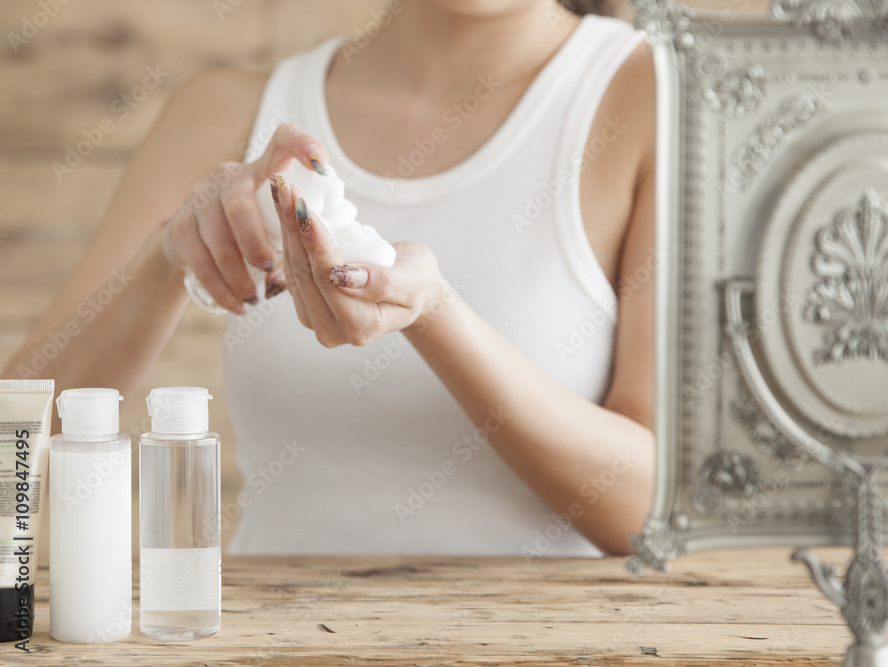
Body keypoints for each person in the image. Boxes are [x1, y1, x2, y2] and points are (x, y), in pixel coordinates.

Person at [3, 0, 656, 556]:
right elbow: (14, 451)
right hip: (269, 643)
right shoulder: (227, 112)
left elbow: (652, 509)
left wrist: (434, 314)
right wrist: (166, 262)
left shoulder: (651, 94)